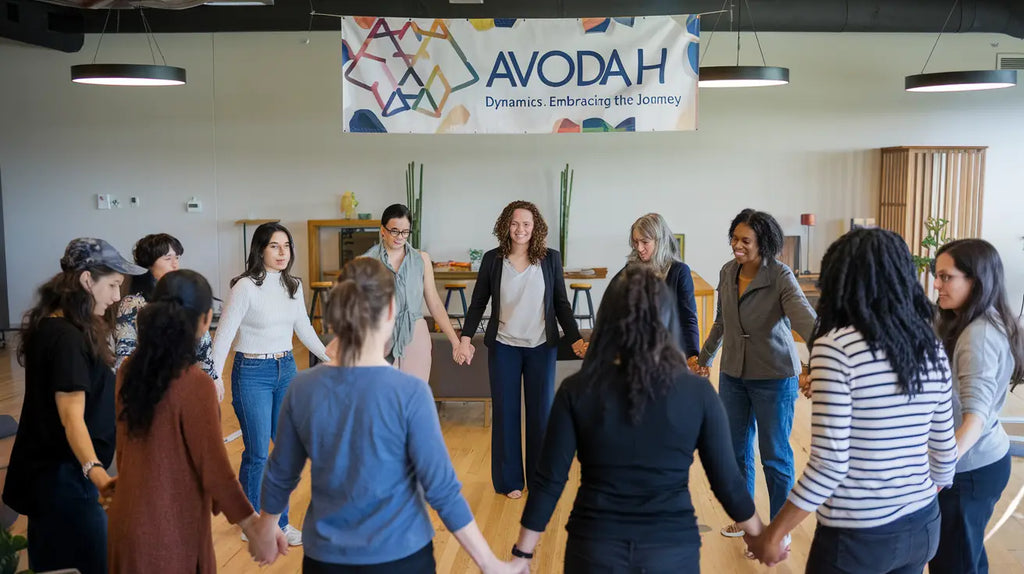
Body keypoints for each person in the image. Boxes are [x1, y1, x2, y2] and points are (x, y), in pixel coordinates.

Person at [246, 258, 522, 574]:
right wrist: (490, 564)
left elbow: (281, 473)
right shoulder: (410, 393)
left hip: (326, 560)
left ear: (336, 314)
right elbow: (442, 491)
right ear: (391, 312)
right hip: (403, 557)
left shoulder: (303, 388)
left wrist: (266, 527)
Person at [510, 265, 767, 573]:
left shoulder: (577, 390)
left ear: (607, 321)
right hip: (671, 551)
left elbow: (550, 480)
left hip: (595, 548)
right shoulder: (698, 394)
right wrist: (761, 535)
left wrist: (521, 555)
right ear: (668, 321)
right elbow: (727, 483)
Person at [748, 228, 958, 573]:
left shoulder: (837, 347)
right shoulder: (928, 343)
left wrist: (775, 533)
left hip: (858, 537)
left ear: (840, 281)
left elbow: (830, 465)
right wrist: (913, 501)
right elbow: (944, 450)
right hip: (922, 526)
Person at [108, 270, 282, 572]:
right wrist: (253, 526)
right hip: (169, 528)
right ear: (205, 320)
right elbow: (214, 468)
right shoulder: (194, 383)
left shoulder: (129, 369)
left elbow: (123, 450)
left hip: (127, 518)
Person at [2, 238, 144, 574]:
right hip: (64, 483)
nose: (115, 296)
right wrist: (97, 475)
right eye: (111, 285)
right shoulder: (67, 339)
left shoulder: (54, 326)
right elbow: (71, 418)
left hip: (53, 480)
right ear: (85, 280)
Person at [695, 208, 817, 541]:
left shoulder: (780, 276)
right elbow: (721, 321)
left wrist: (824, 357)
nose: (737, 245)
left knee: (775, 455)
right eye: (734, 238)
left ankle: (780, 527)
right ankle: (744, 519)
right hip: (733, 374)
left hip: (775, 376)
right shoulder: (726, 271)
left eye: (745, 240)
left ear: (763, 243)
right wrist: (705, 357)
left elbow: (806, 321)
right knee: (735, 451)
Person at [456, 200, 586, 499]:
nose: (520, 229)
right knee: (506, 413)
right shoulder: (492, 260)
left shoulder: (550, 259)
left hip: (541, 346)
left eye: (526, 224)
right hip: (504, 347)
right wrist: (464, 338)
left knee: (540, 414)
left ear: (535, 227)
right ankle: (510, 481)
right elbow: (478, 303)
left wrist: (576, 338)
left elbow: (562, 304)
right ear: (506, 226)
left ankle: (540, 480)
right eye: (515, 223)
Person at [211, 221, 329, 546]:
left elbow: (303, 327)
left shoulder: (293, 285)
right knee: (258, 453)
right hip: (251, 371)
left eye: (286, 246)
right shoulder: (245, 287)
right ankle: (255, 524)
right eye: (274, 246)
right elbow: (224, 334)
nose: (282, 252)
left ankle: (282, 522)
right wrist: (214, 376)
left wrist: (330, 357)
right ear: (260, 249)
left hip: (286, 369)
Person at [929, 239, 1023, 574]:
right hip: (973, 464)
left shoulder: (978, 334)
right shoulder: (959, 320)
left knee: (954, 564)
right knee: (963, 559)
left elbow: (975, 418)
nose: (936, 284)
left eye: (945, 276)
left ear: (976, 280)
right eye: (935, 275)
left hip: (968, 470)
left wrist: (939, 471)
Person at [363, 203, 473, 378]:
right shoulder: (368, 261)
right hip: (380, 334)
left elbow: (435, 304)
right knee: (383, 397)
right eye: (394, 231)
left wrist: (455, 342)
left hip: (416, 334)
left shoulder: (421, 259)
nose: (400, 237)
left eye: (405, 232)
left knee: (415, 394)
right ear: (382, 230)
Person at [114, 233, 222, 399]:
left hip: (190, 382)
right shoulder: (134, 303)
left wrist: (212, 379)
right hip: (151, 388)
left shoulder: (184, 294)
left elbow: (203, 344)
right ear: (149, 264)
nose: (175, 264)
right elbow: (125, 353)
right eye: (167, 258)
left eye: (177, 257)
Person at [622, 213, 700, 363]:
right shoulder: (631, 268)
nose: (639, 248)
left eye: (645, 242)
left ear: (659, 241)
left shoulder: (679, 271)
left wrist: (693, 354)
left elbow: (688, 318)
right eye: (636, 242)